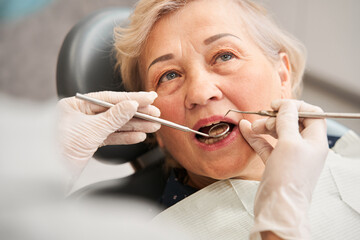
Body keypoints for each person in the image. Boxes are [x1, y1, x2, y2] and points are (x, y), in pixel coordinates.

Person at [57, 0, 360, 239]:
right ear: (155, 129)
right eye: (169, 76)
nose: (200, 93)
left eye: (224, 56)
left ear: (282, 74)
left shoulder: (347, 151)